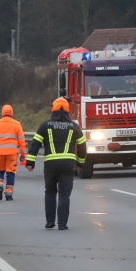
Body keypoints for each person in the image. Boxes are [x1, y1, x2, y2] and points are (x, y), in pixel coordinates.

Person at [25, 97, 87, 230]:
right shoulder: (74, 127)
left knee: (50, 191)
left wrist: (30, 162)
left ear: (53, 109)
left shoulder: (45, 126)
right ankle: (62, 224)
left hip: (50, 165)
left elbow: (35, 144)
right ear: (68, 110)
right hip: (67, 165)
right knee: (64, 194)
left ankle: (50, 221)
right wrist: (80, 163)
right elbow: (82, 147)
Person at [0, 104, 27, 201]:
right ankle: (9, 194)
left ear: (2, 112)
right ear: (12, 113)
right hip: (12, 154)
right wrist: (23, 155)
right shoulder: (17, 124)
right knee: (10, 173)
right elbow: (22, 141)